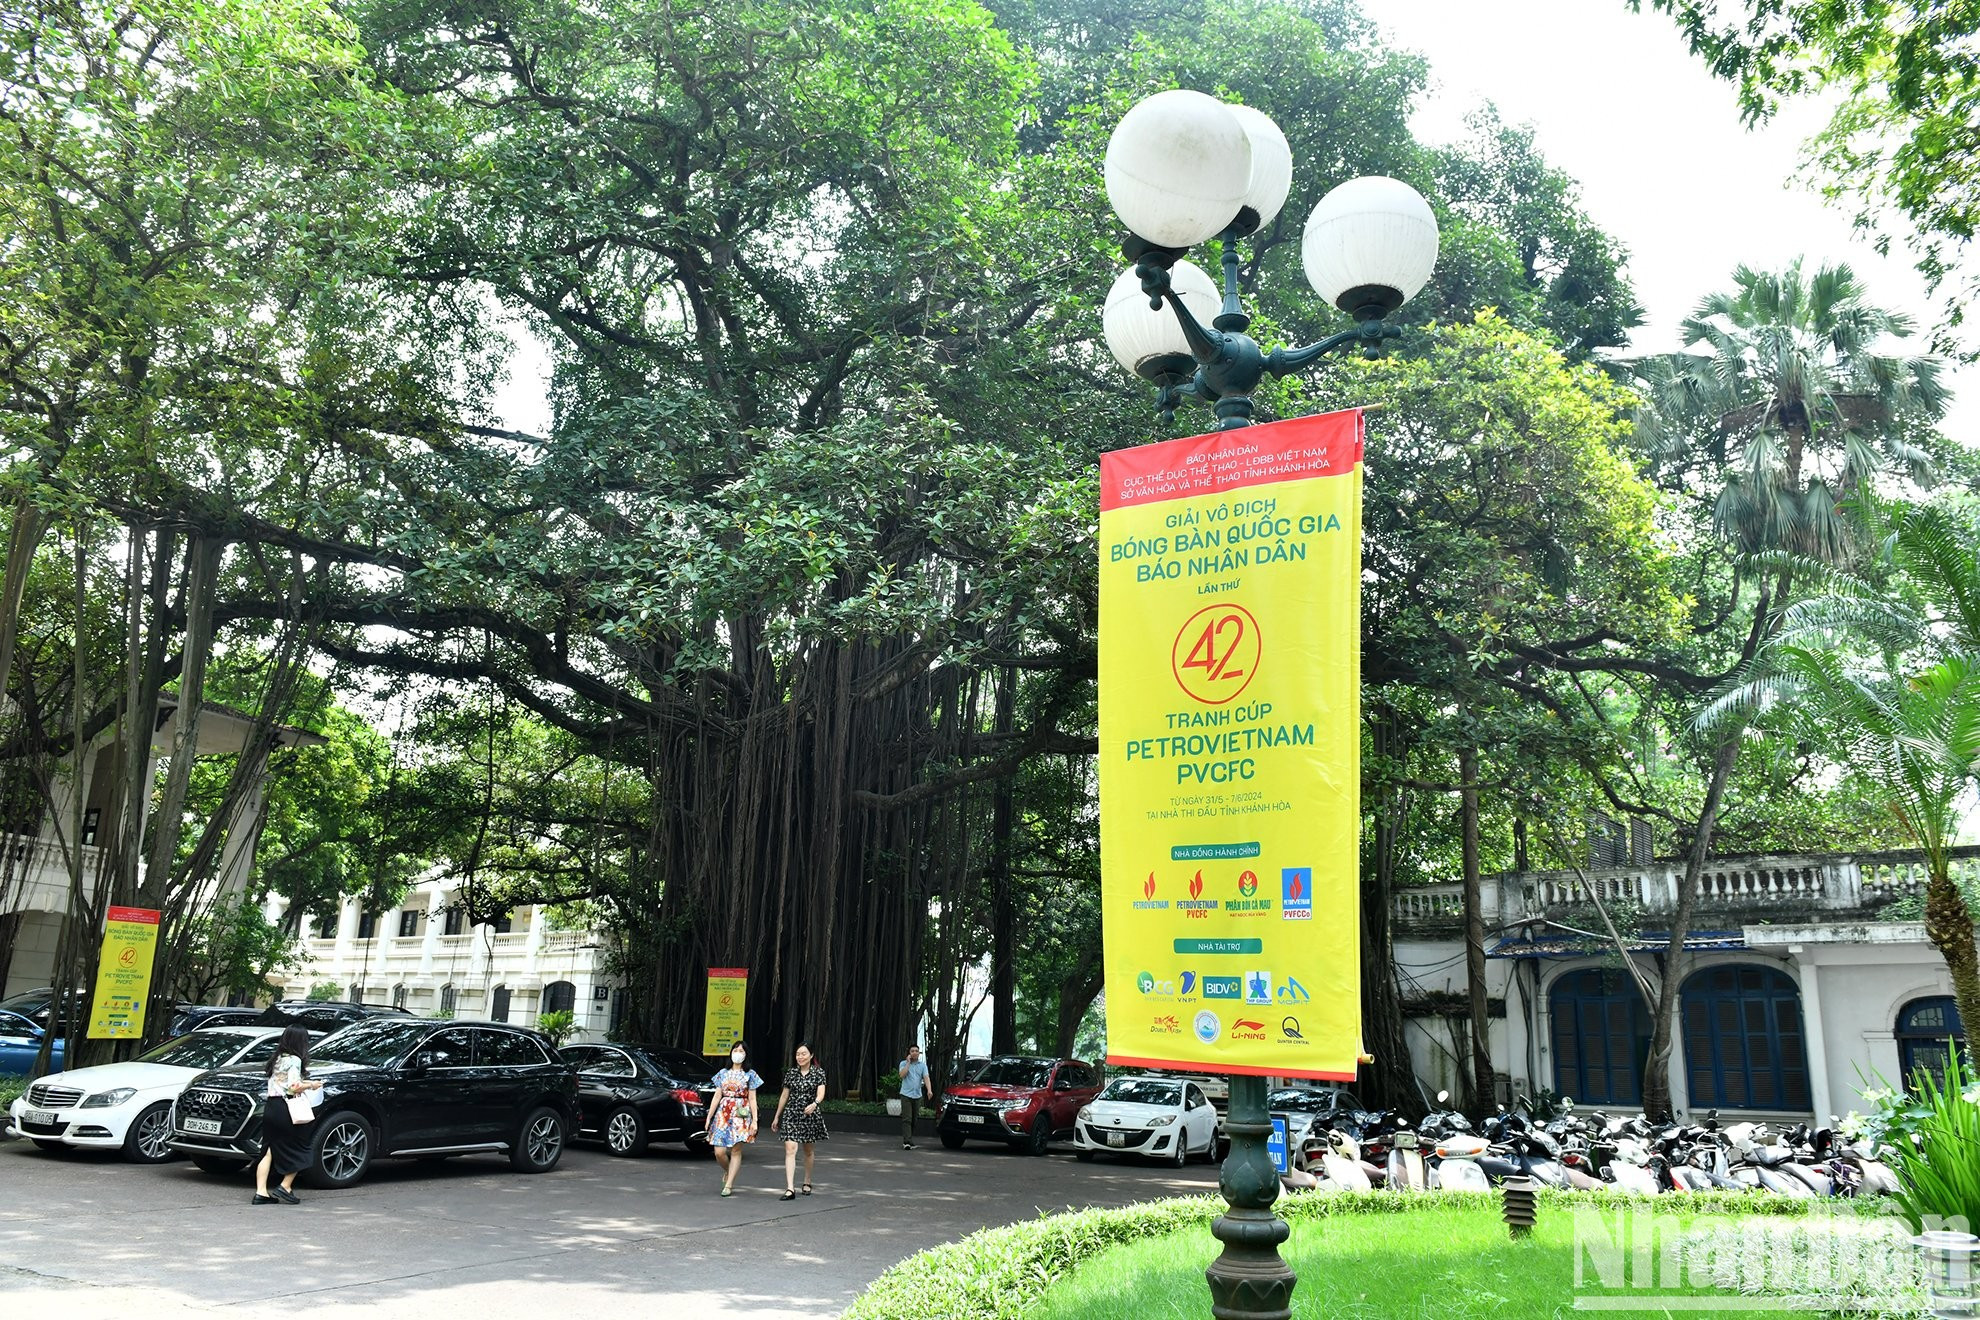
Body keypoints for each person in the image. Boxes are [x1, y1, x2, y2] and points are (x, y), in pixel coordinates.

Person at [253, 1024, 322, 1205]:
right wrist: (312, 1085)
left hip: (271, 1107)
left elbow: (281, 1083)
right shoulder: (295, 1060)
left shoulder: (276, 1058)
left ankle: (261, 1193)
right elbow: (293, 1087)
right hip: (287, 1109)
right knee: (301, 1147)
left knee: (269, 1149)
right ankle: (285, 1186)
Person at [703, 1040, 762, 1196]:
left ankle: (729, 1185)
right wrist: (709, 1116)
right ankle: (729, 1171)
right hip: (723, 1113)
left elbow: (752, 1099)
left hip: (741, 1114)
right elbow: (717, 1096)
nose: (738, 1053)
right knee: (719, 1151)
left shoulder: (751, 1074)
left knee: (736, 1149)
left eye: (741, 1051)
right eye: (735, 1050)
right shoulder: (723, 1073)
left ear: (746, 1055)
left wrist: (755, 1121)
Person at [771, 1042, 828, 1200]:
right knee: (790, 1149)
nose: (800, 1057)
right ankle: (790, 1188)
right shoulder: (791, 1073)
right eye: (798, 1054)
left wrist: (815, 1104)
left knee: (808, 1150)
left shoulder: (818, 1073)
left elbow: (821, 1093)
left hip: (809, 1115)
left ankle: (807, 1181)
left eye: (803, 1054)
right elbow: (784, 1095)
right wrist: (777, 1116)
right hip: (791, 1113)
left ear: (811, 1055)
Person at [897, 1044, 930, 1149]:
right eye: (912, 1051)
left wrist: (929, 1090)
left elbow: (926, 1077)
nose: (915, 1053)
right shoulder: (903, 1063)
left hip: (917, 1095)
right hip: (906, 1095)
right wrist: (908, 1063)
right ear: (909, 1053)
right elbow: (902, 1075)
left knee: (914, 1119)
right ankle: (906, 1141)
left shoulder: (922, 1065)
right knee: (907, 1118)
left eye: (916, 1051)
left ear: (919, 1053)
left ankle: (909, 1139)